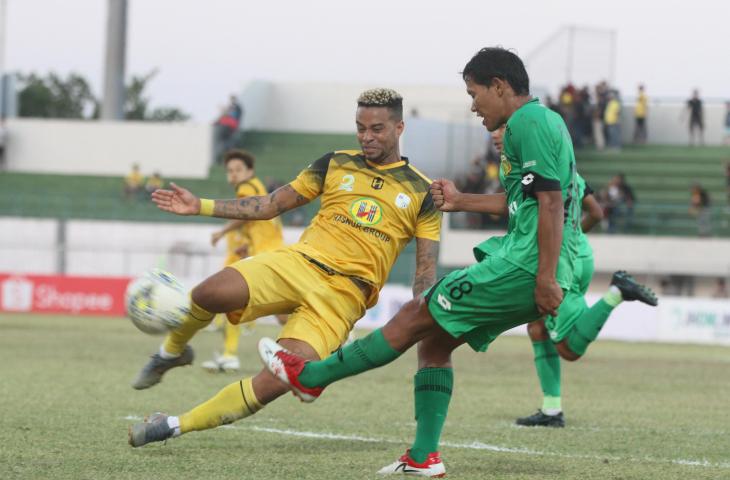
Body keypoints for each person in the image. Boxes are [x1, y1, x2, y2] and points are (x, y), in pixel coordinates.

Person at [258, 48, 658, 477]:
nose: (472, 105)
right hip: (530, 261)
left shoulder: (529, 122)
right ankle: (423, 456)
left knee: (417, 313)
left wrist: (544, 276)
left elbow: (551, 200)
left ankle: (312, 376)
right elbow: (524, 199)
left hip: (524, 265)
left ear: (499, 87)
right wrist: (461, 200)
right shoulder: (540, 124)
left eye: (474, 93)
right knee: (435, 342)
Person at [127, 88, 442, 449]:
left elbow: (425, 272)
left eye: (377, 129)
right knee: (208, 293)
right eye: (360, 128)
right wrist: (200, 205)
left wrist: (423, 314)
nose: (366, 137)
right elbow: (270, 204)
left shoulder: (424, 191)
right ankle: (172, 352)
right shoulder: (335, 163)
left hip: (344, 295)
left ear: (399, 127)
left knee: (280, 378)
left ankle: (171, 425)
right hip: (299, 263)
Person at [489, 126, 656, 427]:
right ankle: (551, 410)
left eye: (505, 129)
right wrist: (571, 237)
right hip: (577, 254)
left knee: (568, 348)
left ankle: (616, 293)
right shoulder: (564, 169)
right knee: (537, 328)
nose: (496, 134)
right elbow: (596, 213)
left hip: (558, 261)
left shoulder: (532, 171)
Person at [201, 149, 287, 373]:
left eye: (238, 170)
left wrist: (221, 232)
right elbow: (260, 224)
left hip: (267, 255)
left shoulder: (246, 188)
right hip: (272, 252)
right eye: (230, 170)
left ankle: (230, 355)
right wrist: (247, 246)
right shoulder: (257, 187)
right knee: (283, 314)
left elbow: (243, 214)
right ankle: (335, 340)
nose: (234, 174)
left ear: (249, 171)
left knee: (231, 299)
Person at [214, 95, 244, 161]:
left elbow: (236, 118)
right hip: (230, 128)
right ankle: (225, 157)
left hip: (229, 128)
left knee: (226, 144)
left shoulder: (236, 108)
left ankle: (225, 157)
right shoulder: (232, 109)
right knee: (227, 144)